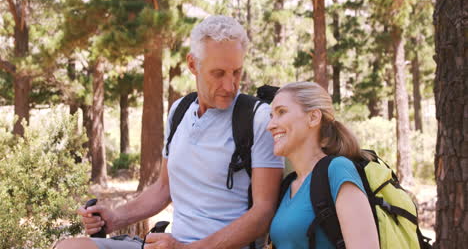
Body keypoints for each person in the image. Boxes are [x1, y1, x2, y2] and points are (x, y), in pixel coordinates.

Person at [57, 15, 284, 249]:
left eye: (236, 72)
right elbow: (164, 188)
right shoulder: (180, 111)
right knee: (70, 247)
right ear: (193, 64)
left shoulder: (258, 118)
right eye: (218, 73)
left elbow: (263, 213)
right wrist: (115, 218)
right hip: (171, 245)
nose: (230, 85)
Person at [267, 82, 379, 249]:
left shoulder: (337, 170)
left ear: (313, 117)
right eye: (271, 116)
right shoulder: (288, 185)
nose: (270, 125)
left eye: (281, 112)